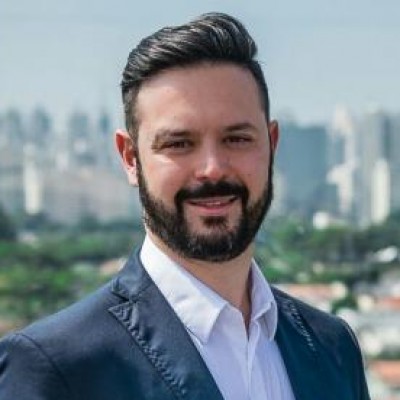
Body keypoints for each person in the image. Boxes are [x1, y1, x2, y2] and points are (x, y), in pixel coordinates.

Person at [0, 12, 370, 400]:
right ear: (130, 158)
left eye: (237, 139)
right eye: (179, 144)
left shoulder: (332, 347)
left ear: (271, 144)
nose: (212, 169)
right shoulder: (55, 368)